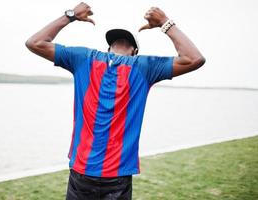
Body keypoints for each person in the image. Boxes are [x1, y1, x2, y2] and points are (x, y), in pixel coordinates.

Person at [25, 2, 205, 200]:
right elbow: (34, 43)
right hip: (92, 173)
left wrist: (166, 23)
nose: (121, 44)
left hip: (107, 175)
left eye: (126, 43)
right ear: (109, 48)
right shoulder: (91, 59)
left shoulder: (140, 67)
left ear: (134, 52)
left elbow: (194, 59)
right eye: (117, 41)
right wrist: (69, 16)